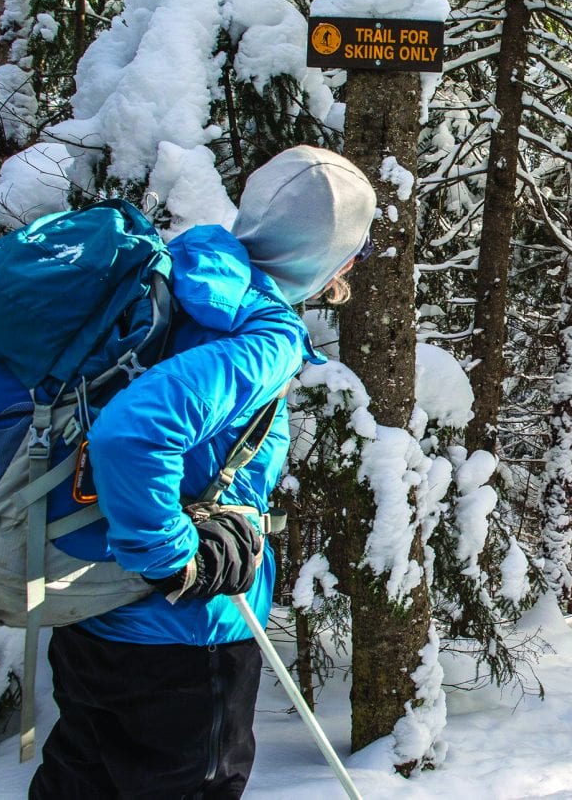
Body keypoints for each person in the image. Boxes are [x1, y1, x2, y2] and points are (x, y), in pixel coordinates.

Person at [29, 146, 377, 799]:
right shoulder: (262, 332)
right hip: (183, 640)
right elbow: (131, 433)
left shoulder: (190, 275)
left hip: (97, 617)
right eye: (351, 246)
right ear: (322, 254)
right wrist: (173, 559)